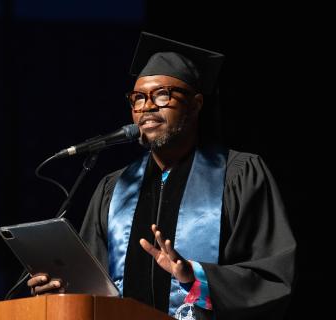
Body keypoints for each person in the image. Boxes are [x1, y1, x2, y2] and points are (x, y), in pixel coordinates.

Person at [28, 32, 296, 320]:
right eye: (138, 99)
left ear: (195, 104)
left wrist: (195, 277)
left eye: (162, 95)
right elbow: (95, 287)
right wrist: (62, 289)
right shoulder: (115, 188)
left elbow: (272, 278)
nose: (148, 107)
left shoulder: (239, 175)